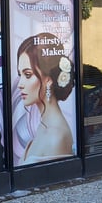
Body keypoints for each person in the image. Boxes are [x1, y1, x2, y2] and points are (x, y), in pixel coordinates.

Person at [16, 32, 75, 164]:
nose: (20, 84)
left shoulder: (56, 136)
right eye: (20, 74)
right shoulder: (44, 125)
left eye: (28, 75)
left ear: (48, 80)